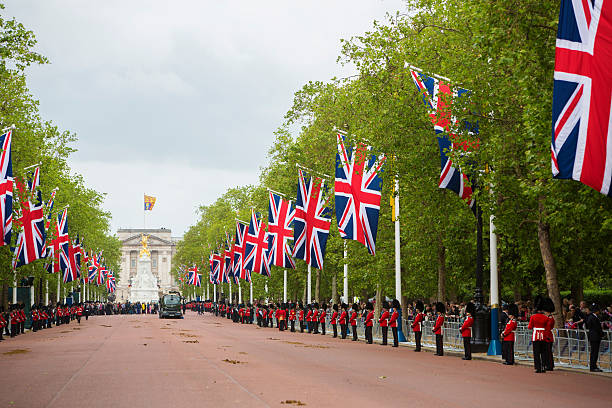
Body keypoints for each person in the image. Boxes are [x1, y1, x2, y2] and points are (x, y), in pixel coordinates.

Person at [528, 296, 549, 373]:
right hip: (543, 335)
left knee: (536, 353)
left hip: (536, 335)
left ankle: (538, 368)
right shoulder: (545, 318)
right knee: (543, 352)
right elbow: (547, 328)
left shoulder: (533, 317)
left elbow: (530, 327)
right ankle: (544, 366)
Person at [585, 304, 604, 372]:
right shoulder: (593, 317)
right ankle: (593, 367)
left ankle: (593, 366)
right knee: (594, 352)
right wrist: (602, 334)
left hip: (593, 336)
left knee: (594, 352)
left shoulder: (591, 317)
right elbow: (597, 328)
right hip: (595, 337)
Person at [543, 298, 556, 371]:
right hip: (547, 335)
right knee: (546, 351)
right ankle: (547, 364)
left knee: (548, 351)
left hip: (548, 336)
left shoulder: (550, 318)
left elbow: (548, 328)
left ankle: (549, 365)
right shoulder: (548, 317)